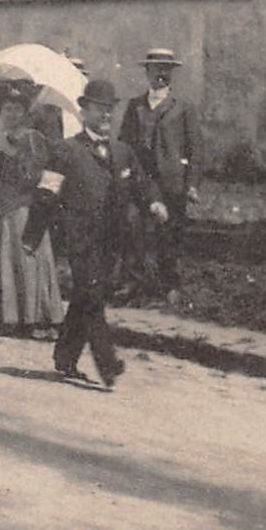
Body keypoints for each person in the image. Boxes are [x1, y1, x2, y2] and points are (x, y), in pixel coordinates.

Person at [27, 78, 167, 388]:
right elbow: (45, 194)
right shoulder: (66, 151)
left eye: (110, 110)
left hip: (111, 241)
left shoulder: (122, 152)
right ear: (84, 111)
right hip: (79, 239)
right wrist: (31, 237)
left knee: (87, 296)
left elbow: (143, 185)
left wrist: (155, 202)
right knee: (91, 298)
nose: (106, 115)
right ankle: (108, 364)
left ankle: (65, 356)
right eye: (99, 109)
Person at [0, 78, 64, 336]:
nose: (11, 114)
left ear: (24, 113)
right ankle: (6, 317)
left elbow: (35, 176)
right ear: (0, 112)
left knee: (26, 260)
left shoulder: (33, 139)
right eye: (6, 109)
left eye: (16, 110)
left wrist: (11, 153)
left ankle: (33, 318)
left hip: (24, 210)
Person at [116, 47, 201, 307]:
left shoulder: (183, 107)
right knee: (133, 227)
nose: (161, 75)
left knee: (170, 233)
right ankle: (133, 283)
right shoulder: (135, 106)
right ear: (147, 72)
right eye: (156, 70)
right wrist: (125, 171)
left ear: (171, 73)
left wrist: (193, 184)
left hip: (171, 181)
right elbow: (124, 143)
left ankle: (170, 284)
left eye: (166, 70)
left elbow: (195, 147)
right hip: (141, 180)